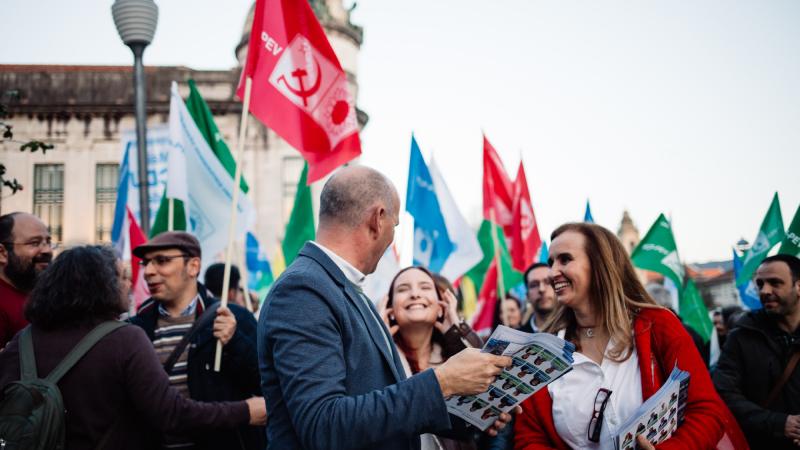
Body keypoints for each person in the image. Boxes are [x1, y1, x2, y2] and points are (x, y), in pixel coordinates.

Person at [258, 165, 515, 450]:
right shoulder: (303, 290)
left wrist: (472, 417)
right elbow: (324, 424)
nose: (392, 235)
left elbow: (381, 402)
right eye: (394, 225)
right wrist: (442, 380)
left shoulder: (348, 291)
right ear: (378, 219)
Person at [0, 245, 266, 450]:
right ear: (99, 285)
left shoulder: (20, 342)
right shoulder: (125, 339)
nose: (131, 284)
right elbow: (172, 413)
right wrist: (245, 411)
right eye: (122, 276)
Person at [514, 223, 744, 450]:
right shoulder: (543, 351)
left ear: (600, 264)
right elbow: (529, 437)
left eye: (565, 259)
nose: (553, 272)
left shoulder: (657, 325)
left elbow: (707, 411)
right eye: (550, 262)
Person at [129, 232, 264, 450]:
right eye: (146, 263)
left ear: (193, 266)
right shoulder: (135, 330)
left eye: (162, 261)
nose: (149, 272)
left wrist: (235, 341)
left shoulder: (233, 318)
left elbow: (266, 384)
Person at [381, 265, 484, 450]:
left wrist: (457, 329)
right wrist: (375, 337)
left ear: (440, 306)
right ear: (390, 309)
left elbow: (486, 372)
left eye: (425, 287)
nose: (415, 294)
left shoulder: (456, 352)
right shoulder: (379, 356)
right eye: (403, 289)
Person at [713, 254, 800, 450]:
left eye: (775, 283)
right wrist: (778, 422)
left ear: (798, 286)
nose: (765, 290)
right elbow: (723, 393)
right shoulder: (741, 336)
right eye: (760, 284)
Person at [0, 212, 54, 348]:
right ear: (2, 253)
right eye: (34, 243)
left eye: (48, 242)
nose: (47, 250)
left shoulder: (46, 294)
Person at [519, 262, 556, 333]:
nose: (541, 289)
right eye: (534, 285)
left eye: (548, 282)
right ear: (527, 296)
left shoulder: (578, 332)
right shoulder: (515, 339)